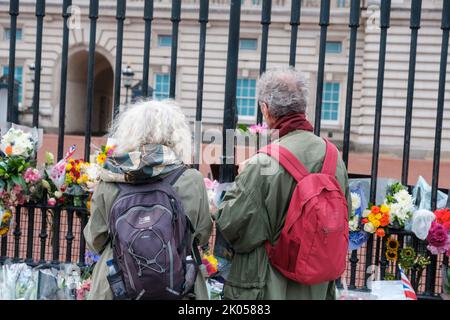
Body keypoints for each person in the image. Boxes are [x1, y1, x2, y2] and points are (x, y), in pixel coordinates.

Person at [213, 67, 351, 300]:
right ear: (303, 107)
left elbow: (235, 226)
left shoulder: (262, 163)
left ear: (266, 109)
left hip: (267, 285)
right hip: (316, 288)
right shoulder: (333, 156)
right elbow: (344, 215)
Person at [84, 99, 212, 300]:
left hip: (118, 286)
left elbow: (96, 239)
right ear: (177, 135)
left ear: (129, 132)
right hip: (181, 286)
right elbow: (202, 235)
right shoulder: (190, 179)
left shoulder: (110, 178)